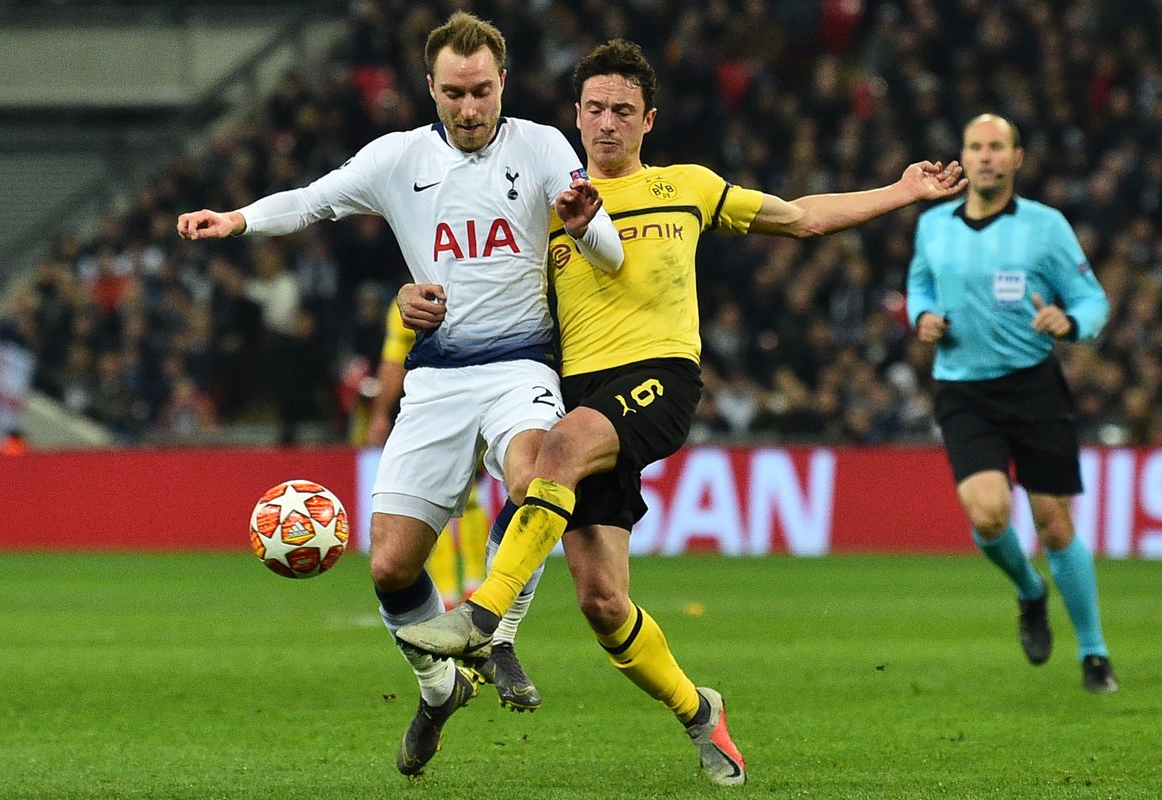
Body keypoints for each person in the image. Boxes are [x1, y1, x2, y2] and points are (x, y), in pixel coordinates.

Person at [395, 39, 965, 786]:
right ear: (575, 116)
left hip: (660, 378)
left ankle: (481, 620)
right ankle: (701, 711)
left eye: (623, 111)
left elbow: (802, 219)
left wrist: (899, 191)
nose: (607, 123)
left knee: (558, 453)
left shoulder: (686, 187)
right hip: (578, 393)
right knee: (603, 603)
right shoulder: (543, 203)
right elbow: (473, 278)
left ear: (648, 120)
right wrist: (408, 301)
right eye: (594, 109)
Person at [177, 12, 623, 776]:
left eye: (482, 90)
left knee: (535, 475)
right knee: (389, 567)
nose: (470, 107)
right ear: (431, 88)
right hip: (437, 380)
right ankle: (437, 686)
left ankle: (499, 630)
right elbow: (313, 200)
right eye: (454, 92)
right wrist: (238, 220)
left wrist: (586, 228)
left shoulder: (545, 147)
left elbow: (609, 257)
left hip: (522, 366)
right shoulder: (398, 159)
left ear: (503, 84)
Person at [904, 114, 1118, 693]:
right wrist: (920, 315)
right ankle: (1029, 591)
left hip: (1032, 386)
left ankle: (1094, 653)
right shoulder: (934, 227)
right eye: (974, 146)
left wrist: (1069, 321)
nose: (985, 156)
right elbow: (919, 287)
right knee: (987, 513)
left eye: (997, 146)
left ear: (1017, 158)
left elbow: (1092, 300)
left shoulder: (1046, 228)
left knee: (1054, 525)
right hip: (963, 388)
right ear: (964, 158)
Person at [367, 296, 542, 711]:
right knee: (449, 507)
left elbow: (392, 362)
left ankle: (470, 596)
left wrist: (378, 413)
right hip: (445, 393)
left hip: (509, 385)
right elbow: (395, 360)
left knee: (500, 492)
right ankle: (458, 592)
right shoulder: (415, 298)